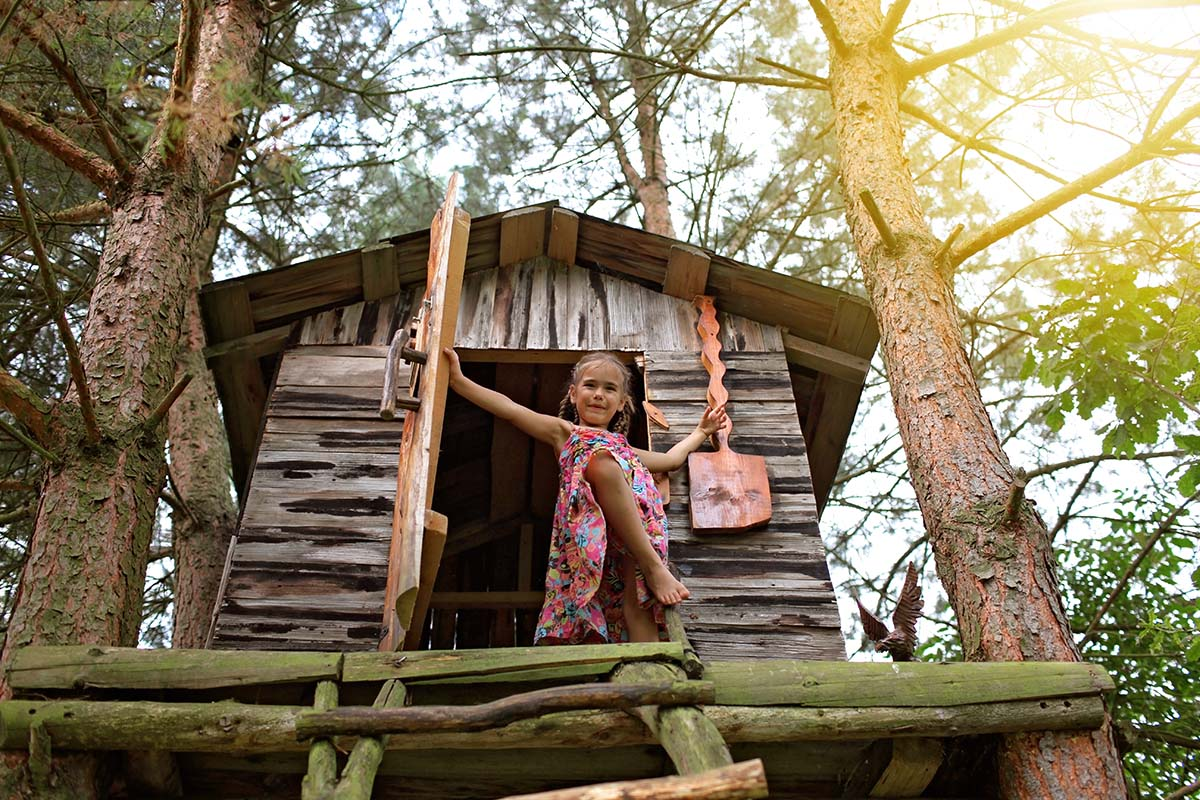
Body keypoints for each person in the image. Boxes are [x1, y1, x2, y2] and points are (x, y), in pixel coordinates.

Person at [442, 348, 728, 644]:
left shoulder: (626, 450)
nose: (598, 394)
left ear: (622, 403)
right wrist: (459, 382)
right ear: (573, 393)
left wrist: (700, 432)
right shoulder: (565, 433)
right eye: (590, 385)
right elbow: (511, 410)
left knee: (638, 599)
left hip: (636, 532)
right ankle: (654, 567)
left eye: (609, 389)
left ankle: (653, 668)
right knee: (601, 462)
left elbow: (669, 461)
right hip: (590, 529)